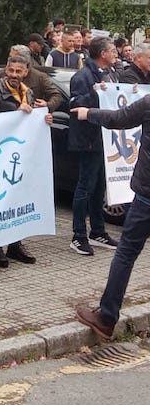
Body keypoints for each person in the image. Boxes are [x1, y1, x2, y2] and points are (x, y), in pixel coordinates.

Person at [73, 95, 150, 339]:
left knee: (126, 253)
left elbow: (119, 119)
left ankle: (106, 317)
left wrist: (89, 113)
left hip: (147, 197)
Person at [0, 53, 50, 267]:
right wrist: (16, 112)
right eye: (10, 71)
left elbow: (31, 121)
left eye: (18, 71)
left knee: (18, 199)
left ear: (26, 72)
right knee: (0, 200)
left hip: (20, 155)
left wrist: (44, 117)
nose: (13, 75)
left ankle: (15, 244)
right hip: (0, 156)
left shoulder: (28, 94)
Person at [68, 37, 120, 256]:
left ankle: (97, 231)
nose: (116, 54)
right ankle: (78, 235)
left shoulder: (109, 73)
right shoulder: (83, 76)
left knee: (99, 187)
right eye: (113, 51)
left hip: (103, 140)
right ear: (102, 53)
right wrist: (96, 92)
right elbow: (74, 104)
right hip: (88, 139)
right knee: (85, 187)